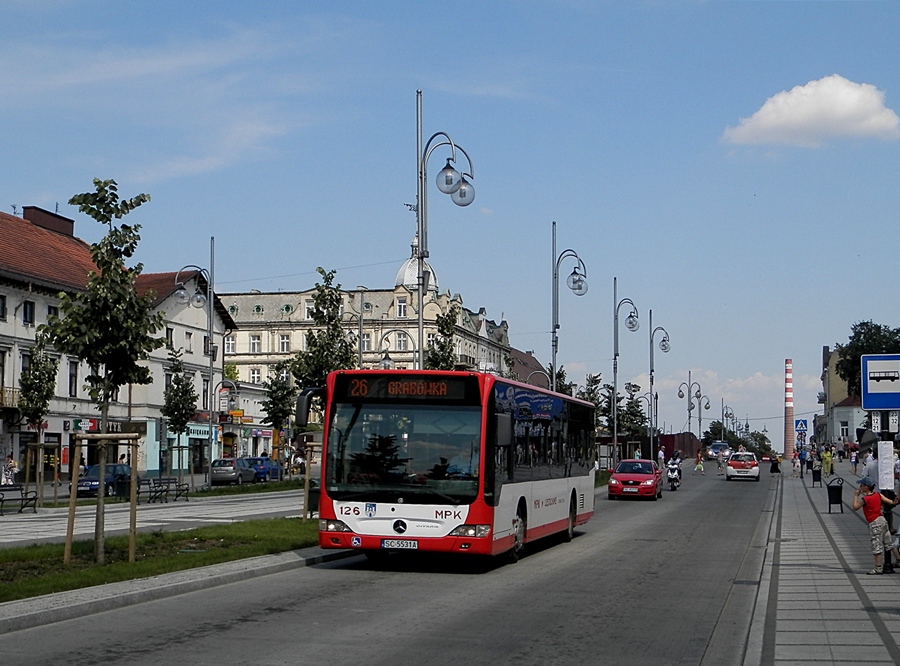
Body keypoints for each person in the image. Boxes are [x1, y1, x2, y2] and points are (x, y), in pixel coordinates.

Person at [851, 476, 900, 575]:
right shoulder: (878, 494)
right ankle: (899, 559)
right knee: (888, 542)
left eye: (862, 485)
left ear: (866, 487)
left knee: (876, 544)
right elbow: (890, 502)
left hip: (874, 522)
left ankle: (878, 567)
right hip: (882, 520)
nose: (860, 487)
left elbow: (855, 507)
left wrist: (856, 496)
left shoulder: (865, 499)